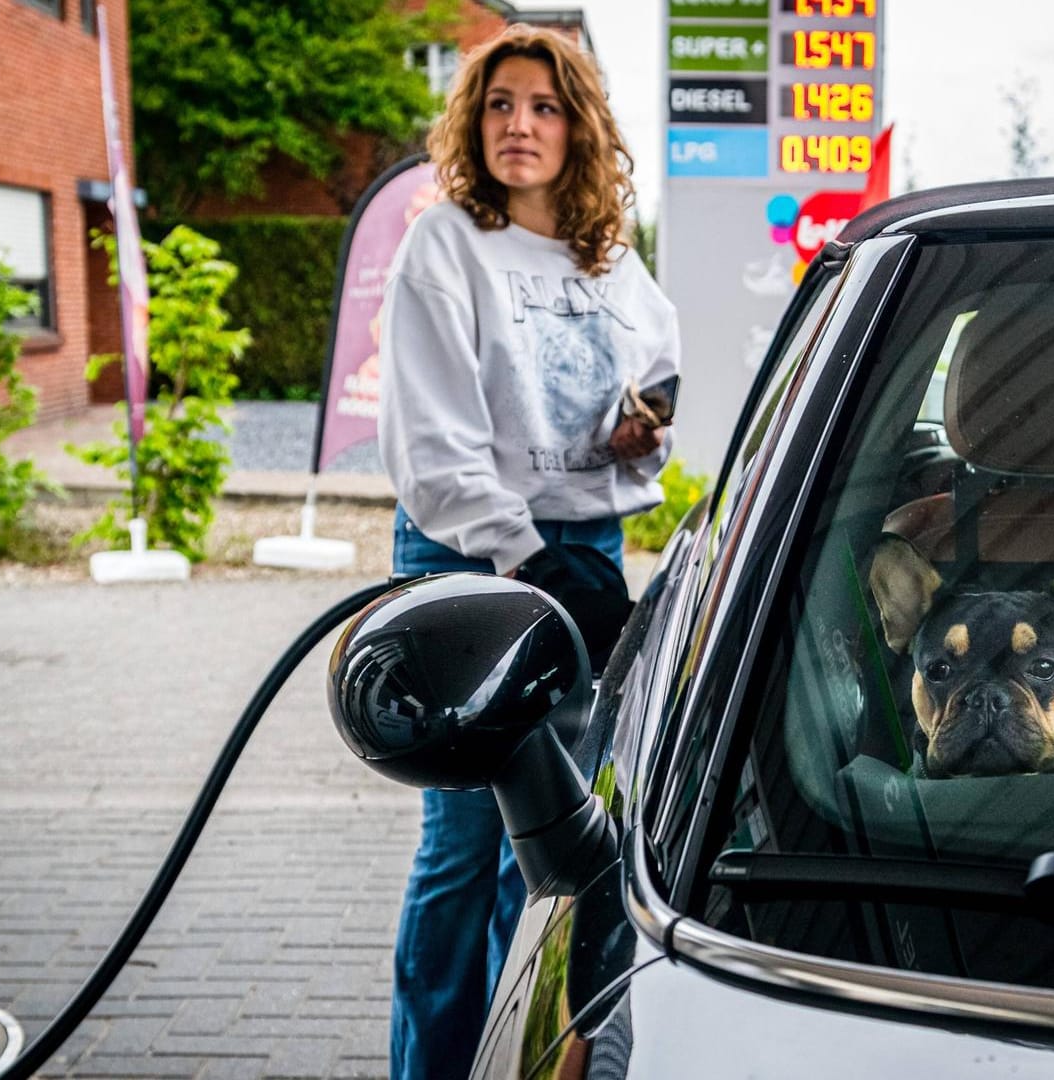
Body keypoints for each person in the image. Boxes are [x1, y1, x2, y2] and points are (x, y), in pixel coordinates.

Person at [374, 24, 678, 1079]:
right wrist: (522, 554)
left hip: (585, 550)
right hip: (470, 552)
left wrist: (642, 428)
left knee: (550, 847)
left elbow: (651, 384)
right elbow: (434, 441)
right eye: (500, 103)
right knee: (462, 846)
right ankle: (430, 1066)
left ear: (578, 126)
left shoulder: (610, 260)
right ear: (473, 121)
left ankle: (519, 1059)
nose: (520, 124)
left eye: (544, 106)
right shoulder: (445, 244)